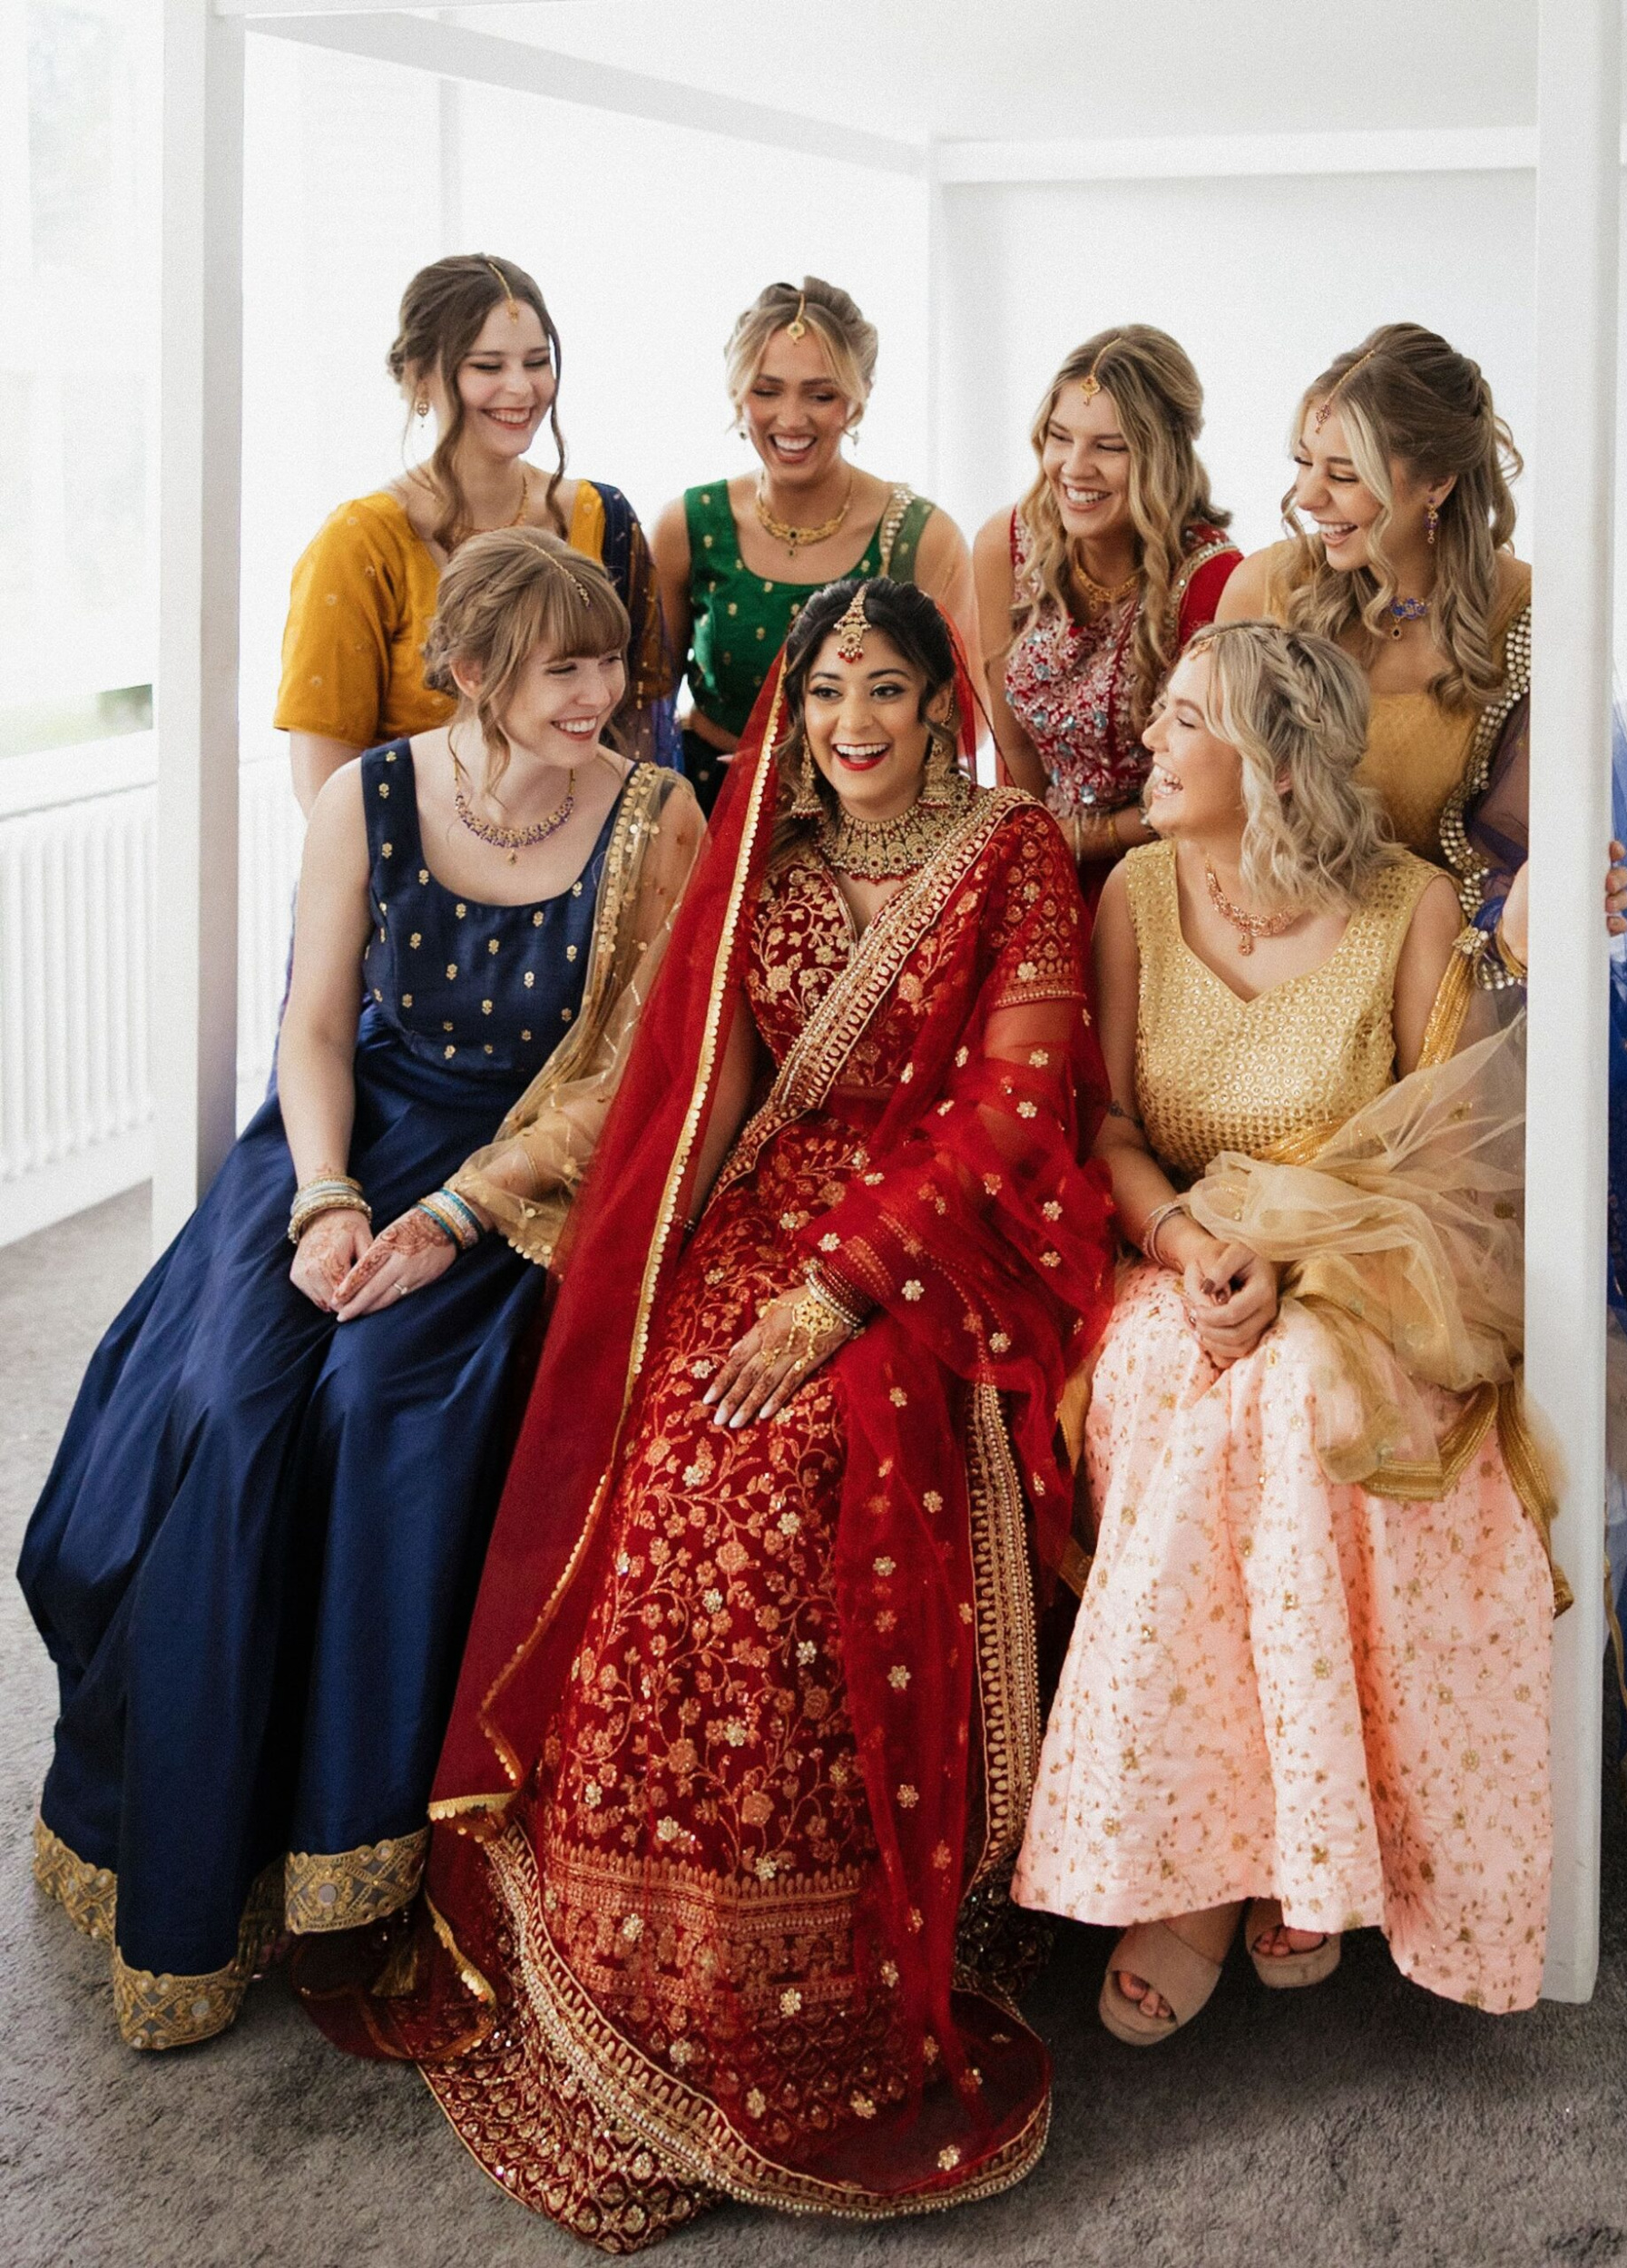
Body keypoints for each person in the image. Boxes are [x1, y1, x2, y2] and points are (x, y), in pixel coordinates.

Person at [305, 578, 1113, 2248]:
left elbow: (1020, 1102)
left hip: (932, 1244)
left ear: (938, 695)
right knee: (670, 1459)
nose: (857, 726)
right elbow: (709, 1095)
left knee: (808, 1474)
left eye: (890, 690)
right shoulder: (770, 853)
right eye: (829, 696)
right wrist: (658, 1274)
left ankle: (818, 1972)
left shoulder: (1011, 847)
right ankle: (627, 1959)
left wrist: (844, 1287)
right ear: (792, 708)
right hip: (772, 1212)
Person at [21, 530, 703, 2049]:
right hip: (349, 1135)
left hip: (519, 1172)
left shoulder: (659, 813)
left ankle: (352, 1860)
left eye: (607, 662)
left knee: (382, 1400)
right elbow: (316, 1026)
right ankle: (188, 1857)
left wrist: (457, 1215)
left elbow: (633, 1081)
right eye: (556, 667)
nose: (596, 694)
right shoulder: (370, 794)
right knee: (222, 1403)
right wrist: (325, 1198)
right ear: (469, 669)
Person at [1218, 322, 1627, 1840]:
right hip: (1289, 957)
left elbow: (1533, 860)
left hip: (1445, 975)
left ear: (1431, 481)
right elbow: (1218, 788)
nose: (1305, 498)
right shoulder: (1271, 592)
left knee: (1454, 1229)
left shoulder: (1536, 623)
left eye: (1340, 471)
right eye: (1300, 462)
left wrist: (1533, 903)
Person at [1014, 621, 1557, 2036]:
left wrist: (1296, 1251)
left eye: (1182, 719)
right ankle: (1208, 1862)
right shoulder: (1135, 887)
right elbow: (1113, 1125)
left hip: (1372, 1251)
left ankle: (1291, 1847)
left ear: (1266, 755)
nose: (1147, 741)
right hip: (1174, 1242)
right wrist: (1194, 1246)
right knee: (1186, 1384)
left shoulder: (1408, 904)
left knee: (1305, 1396)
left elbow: (1454, 1143)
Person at [277, 254, 672, 813]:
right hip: (414, 881)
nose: (521, 388)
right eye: (488, 367)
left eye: (536, 362)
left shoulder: (599, 517)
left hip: (582, 873)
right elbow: (325, 792)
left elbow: (640, 731)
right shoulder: (361, 542)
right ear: (420, 376)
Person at [652, 278, 975, 817]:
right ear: (738, 392)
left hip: (866, 816)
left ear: (859, 395)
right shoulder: (689, 524)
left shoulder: (922, 537)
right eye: (767, 390)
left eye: (820, 395)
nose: (792, 418)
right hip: (711, 806)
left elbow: (959, 725)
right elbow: (643, 704)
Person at [974, 326, 1241, 899]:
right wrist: (1036, 854)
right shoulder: (1008, 543)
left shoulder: (1214, 583)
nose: (1074, 467)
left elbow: (1215, 790)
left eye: (1108, 446)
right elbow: (1011, 743)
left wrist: (1077, 841)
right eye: (1060, 437)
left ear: (1162, 453)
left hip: (1167, 875)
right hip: (1034, 850)